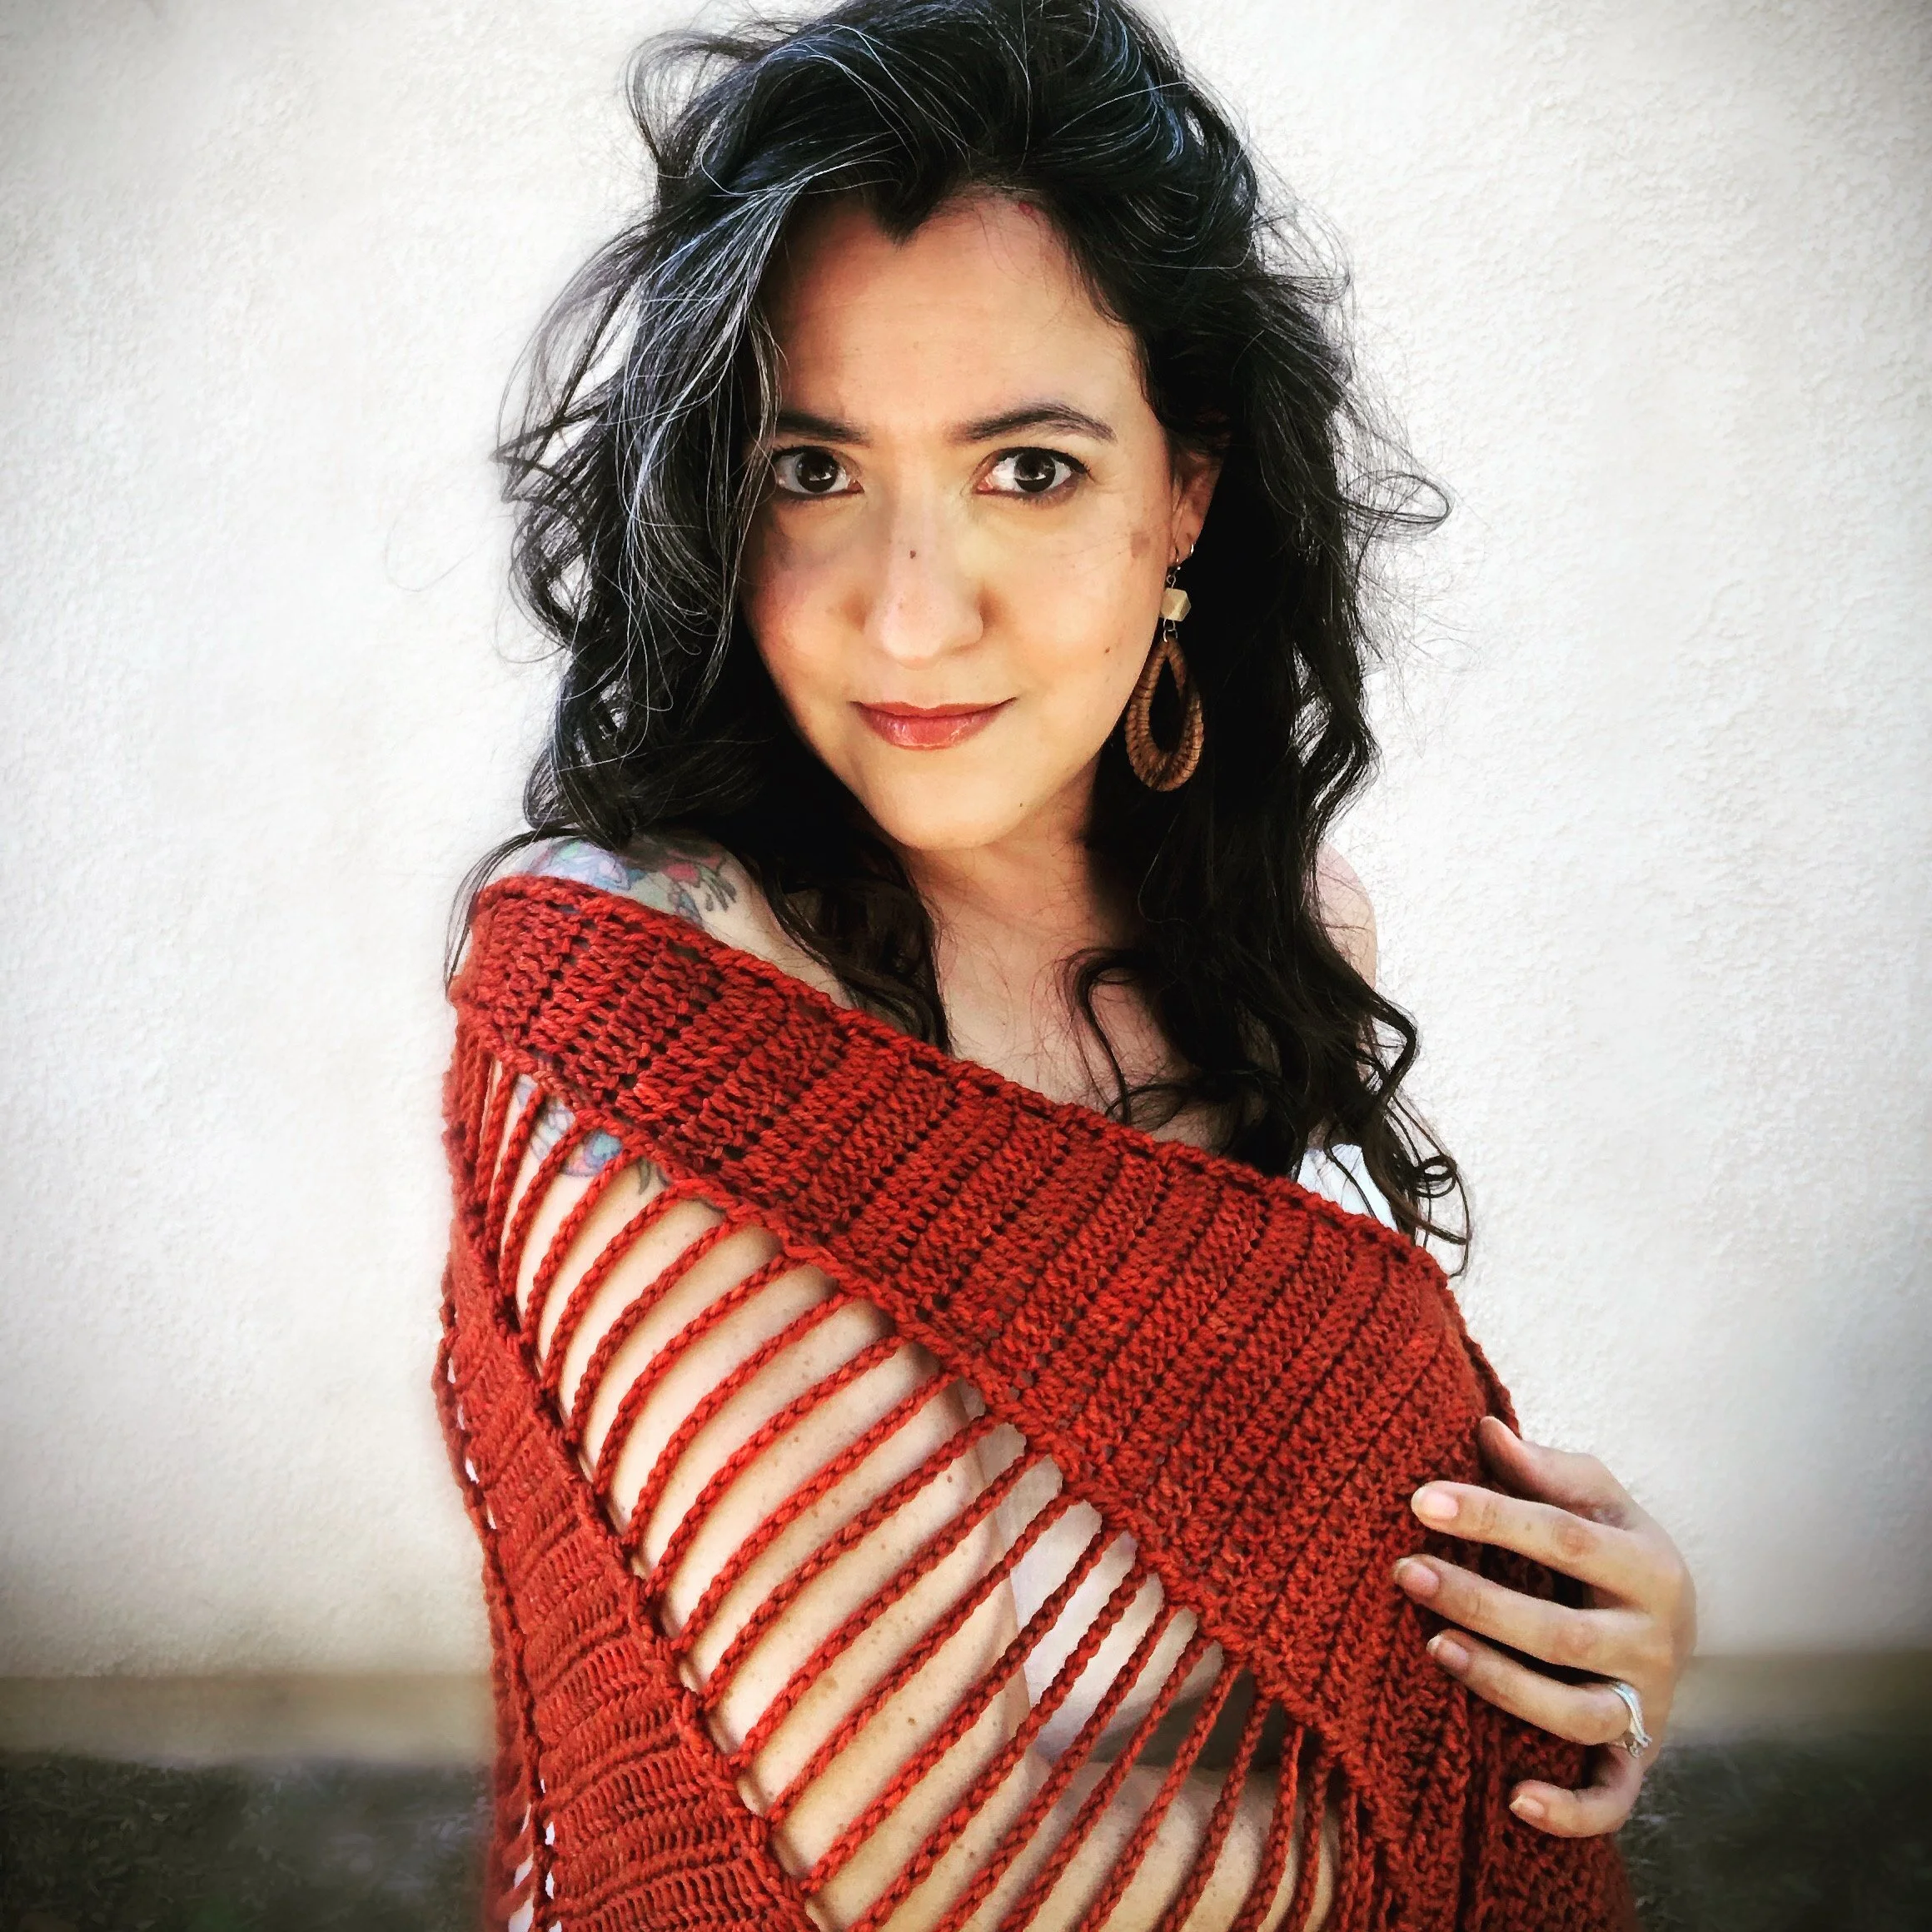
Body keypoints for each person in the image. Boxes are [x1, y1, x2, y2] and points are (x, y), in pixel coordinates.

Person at [437, 2, 1695, 1926]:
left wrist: (1563, 1624)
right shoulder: (660, 1007)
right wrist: (1467, 1784)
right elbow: (907, 1867)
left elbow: (1258, 1571)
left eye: (1026, 469)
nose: (914, 613)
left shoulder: (1277, 944)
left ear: (1182, 491)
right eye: (812, 470)